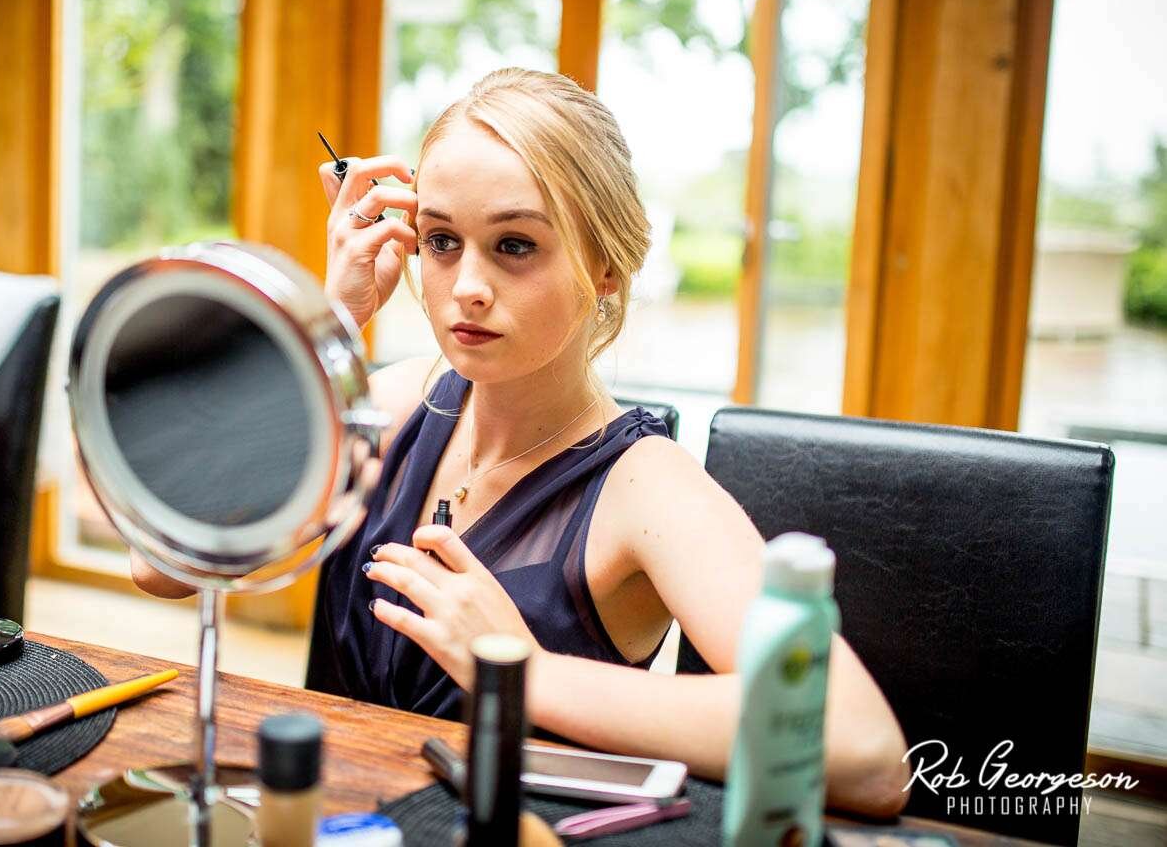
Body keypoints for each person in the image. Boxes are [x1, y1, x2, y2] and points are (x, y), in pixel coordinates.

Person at [131, 67, 912, 817]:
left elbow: (864, 752)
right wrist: (328, 326)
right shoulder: (395, 406)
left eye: (514, 246)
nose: (467, 285)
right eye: (441, 241)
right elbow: (163, 562)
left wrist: (527, 674)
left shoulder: (646, 488)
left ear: (606, 266)